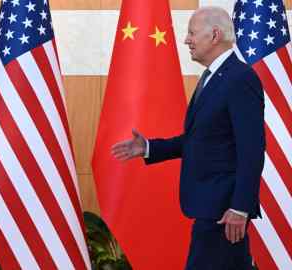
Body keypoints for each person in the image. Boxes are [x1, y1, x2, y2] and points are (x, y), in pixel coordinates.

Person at [111, 6, 264, 270]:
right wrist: (148, 148)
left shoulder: (240, 78)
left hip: (223, 211)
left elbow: (251, 149)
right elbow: (200, 140)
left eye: (192, 33)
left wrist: (240, 208)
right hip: (211, 207)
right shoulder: (212, 77)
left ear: (214, 35)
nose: (186, 40)